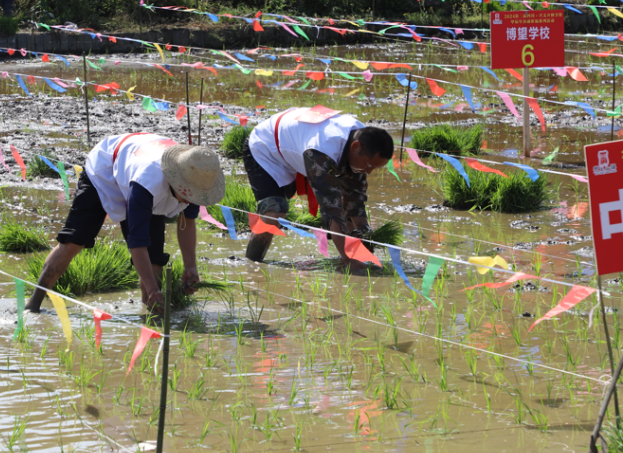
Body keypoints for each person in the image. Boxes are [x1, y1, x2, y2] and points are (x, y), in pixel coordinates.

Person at [25, 135, 225, 314]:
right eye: (188, 194)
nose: (191, 200)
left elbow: (187, 221)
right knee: (74, 240)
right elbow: (137, 243)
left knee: (155, 259)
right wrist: (153, 288)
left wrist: (191, 266)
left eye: (195, 195)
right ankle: (33, 304)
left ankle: (151, 317)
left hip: (140, 169)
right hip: (105, 170)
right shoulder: (147, 186)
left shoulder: (196, 177)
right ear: (176, 182)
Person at [241, 106, 393, 271]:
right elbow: (332, 211)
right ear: (355, 147)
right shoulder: (322, 152)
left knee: (349, 211)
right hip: (265, 146)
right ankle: (252, 264)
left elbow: (355, 202)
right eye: (368, 165)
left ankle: (351, 255)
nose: (369, 172)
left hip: (296, 142)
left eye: (374, 168)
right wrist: (351, 262)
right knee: (275, 210)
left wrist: (366, 235)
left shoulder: (364, 139)